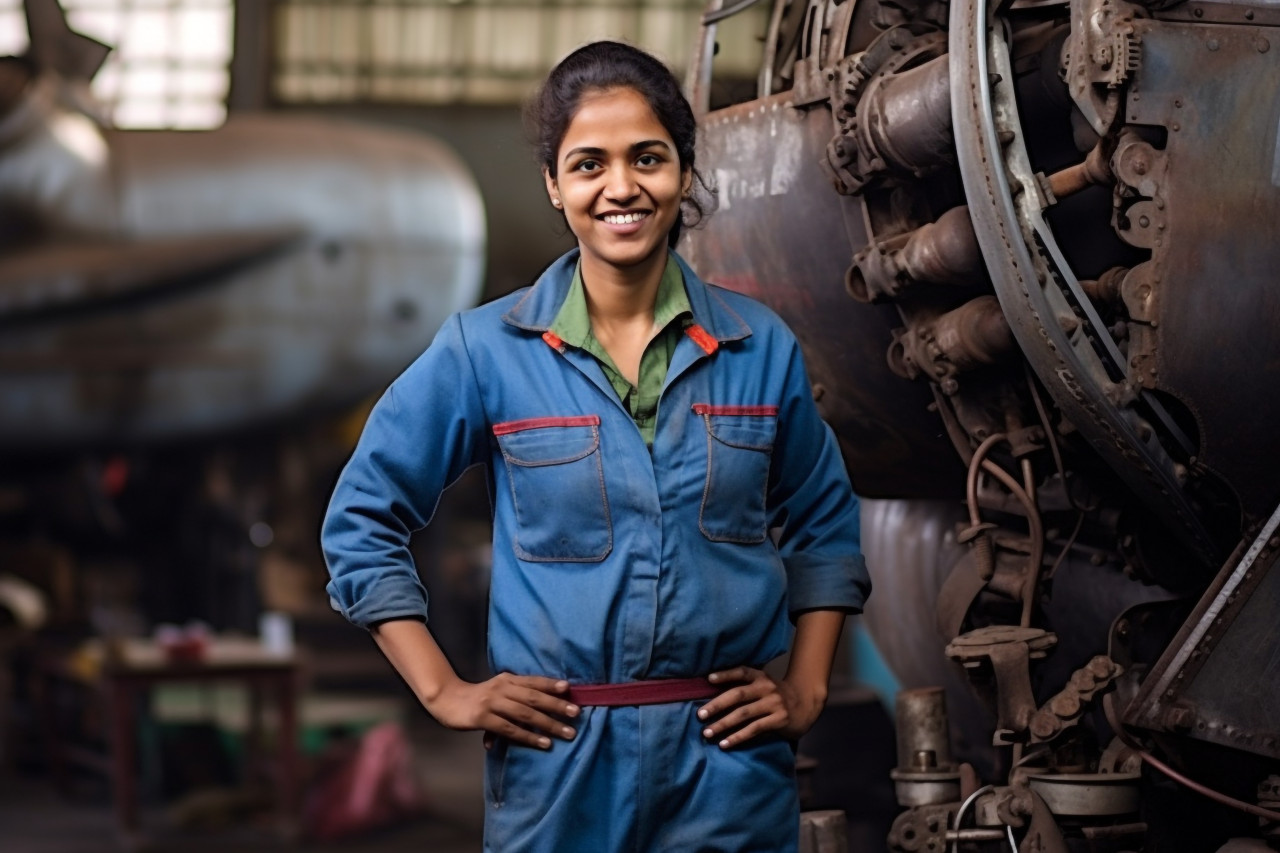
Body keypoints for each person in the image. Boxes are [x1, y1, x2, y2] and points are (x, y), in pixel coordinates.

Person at [322, 40, 870, 853]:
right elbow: (362, 518)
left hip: (726, 762)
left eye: (647, 158)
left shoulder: (762, 347)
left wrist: (807, 687)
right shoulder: (487, 350)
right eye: (589, 164)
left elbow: (824, 522)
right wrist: (443, 690)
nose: (621, 187)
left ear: (684, 171)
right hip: (560, 761)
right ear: (554, 184)